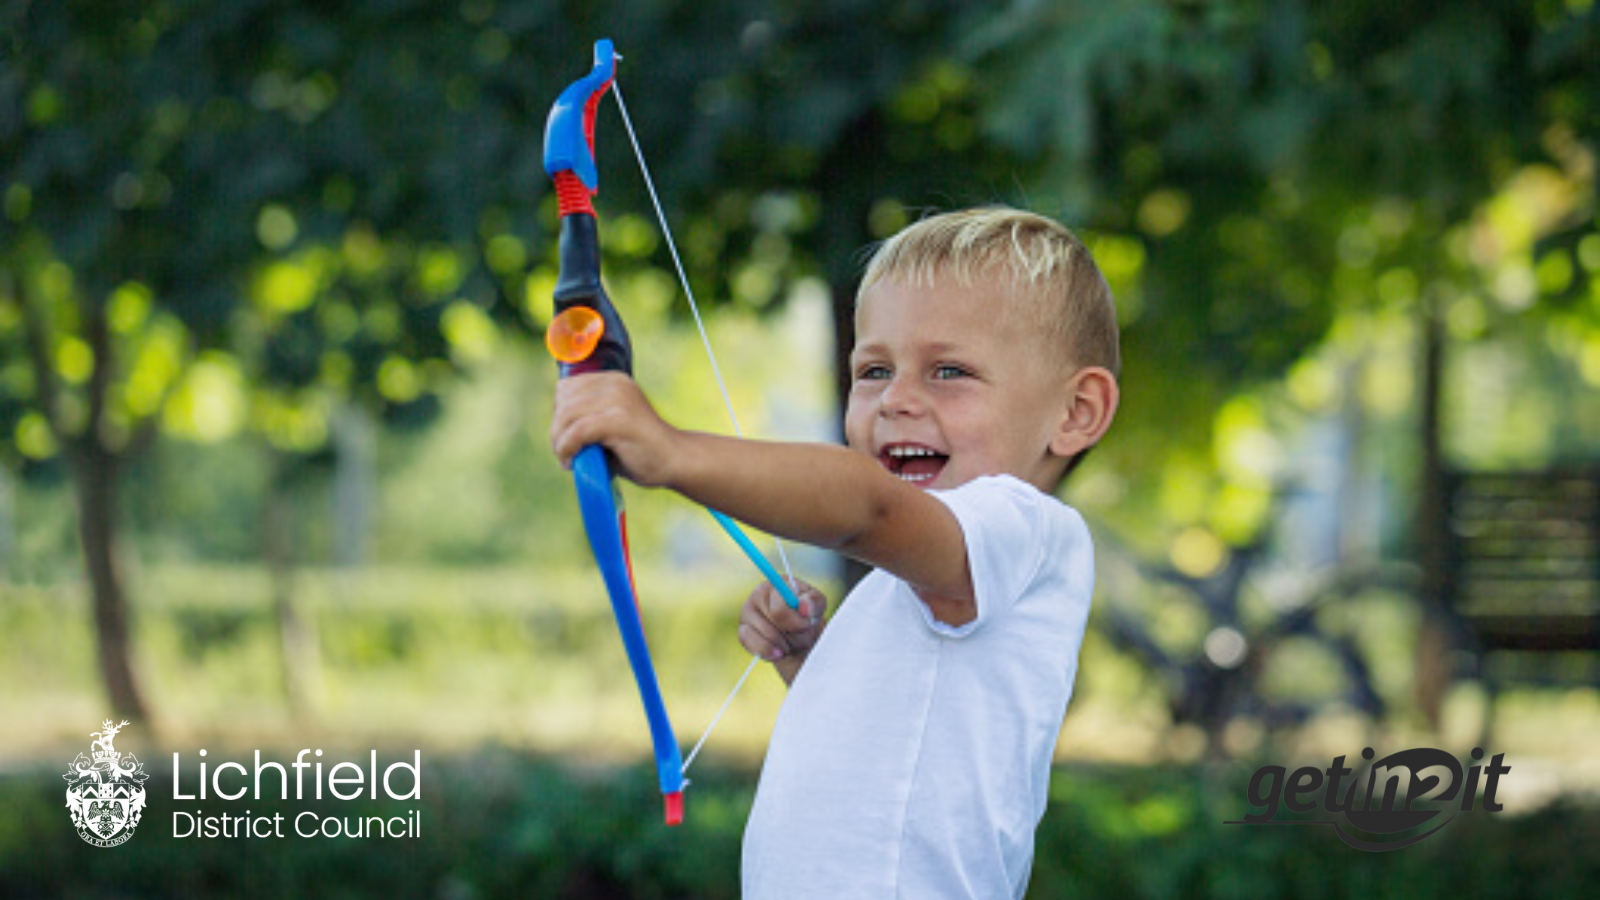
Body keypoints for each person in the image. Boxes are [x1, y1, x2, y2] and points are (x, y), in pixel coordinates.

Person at [550, 206, 1120, 899]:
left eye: (949, 371)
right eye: (874, 369)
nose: (895, 400)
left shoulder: (1025, 530)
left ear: (1076, 412)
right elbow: (898, 741)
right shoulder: (920, 574)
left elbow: (864, 506)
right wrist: (811, 663)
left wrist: (673, 451)